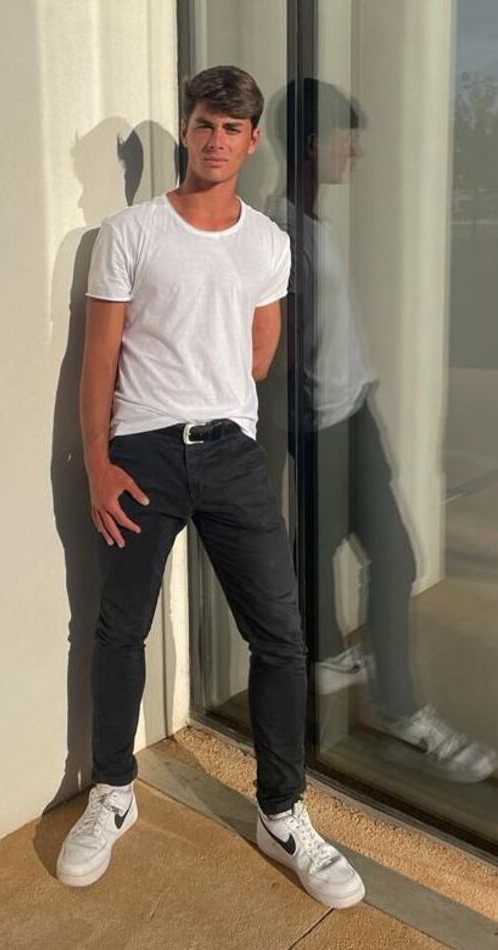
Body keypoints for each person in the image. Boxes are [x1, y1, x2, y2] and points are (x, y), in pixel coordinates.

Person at [56, 65, 365, 909]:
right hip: (141, 456)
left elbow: (259, 356)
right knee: (118, 628)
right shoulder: (129, 232)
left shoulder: (268, 244)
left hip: (231, 456)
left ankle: (281, 811)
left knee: (282, 638)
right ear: (187, 129)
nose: (215, 140)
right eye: (203, 124)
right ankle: (112, 791)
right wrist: (100, 464)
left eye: (232, 128)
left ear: (252, 140)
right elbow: (98, 359)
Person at [281, 78, 497, 783]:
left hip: (352, 414)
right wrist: (297, 437)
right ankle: (401, 710)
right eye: (349, 138)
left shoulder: (310, 225)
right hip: (325, 426)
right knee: (378, 557)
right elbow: (276, 353)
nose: (357, 152)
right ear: (315, 144)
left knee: (373, 555)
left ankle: (336, 664)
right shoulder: (283, 233)